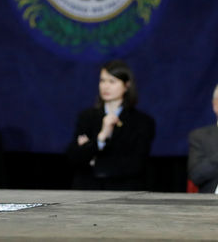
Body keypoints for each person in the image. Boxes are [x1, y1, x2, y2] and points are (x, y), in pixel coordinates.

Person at [66, 59, 155, 190]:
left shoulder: (142, 121)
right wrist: (101, 137)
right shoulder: (87, 117)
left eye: (112, 81)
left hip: (124, 191)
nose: (105, 86)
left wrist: (94, 160)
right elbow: (74, 158)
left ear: (126, 85)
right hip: (87, 190)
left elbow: (136, 164)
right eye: (102, 80)